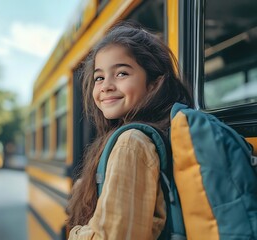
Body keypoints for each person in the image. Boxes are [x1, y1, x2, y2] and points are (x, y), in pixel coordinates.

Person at [66, 21, 192, 239]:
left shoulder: (131, 143)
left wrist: (74, 233)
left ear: (153, 83)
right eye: (99, 77)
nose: (106, 86)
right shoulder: (152, 134)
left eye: (121, 73)